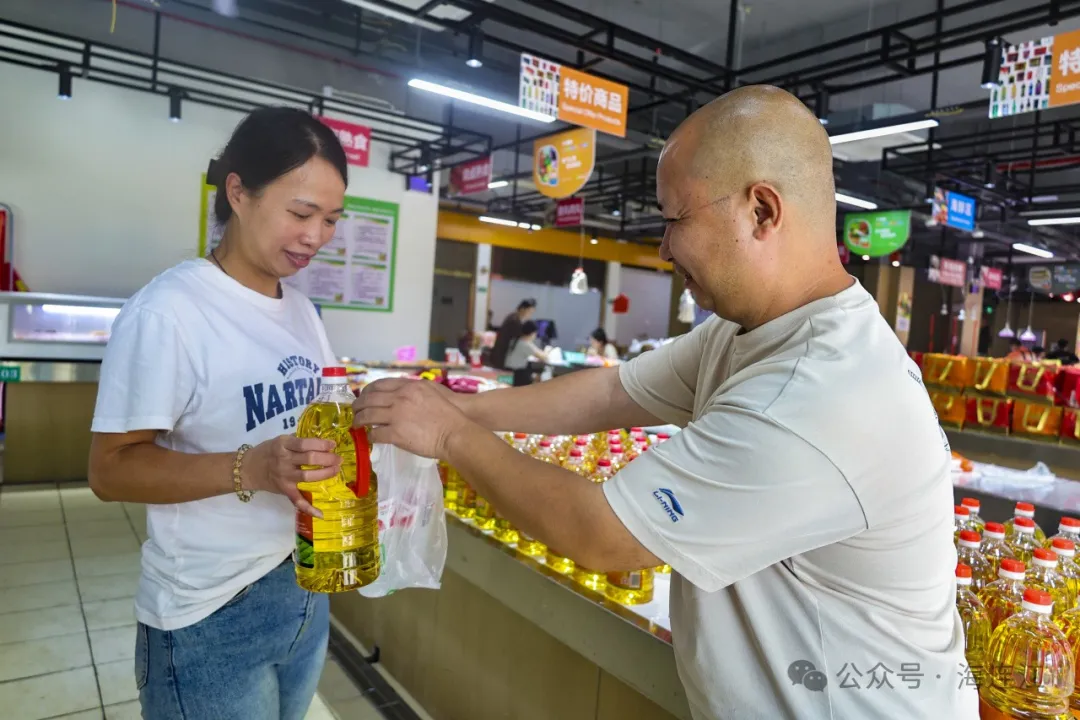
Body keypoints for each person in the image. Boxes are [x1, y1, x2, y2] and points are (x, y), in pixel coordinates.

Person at [354, 86, 976, 718]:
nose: (662, 248)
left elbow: (601, 534)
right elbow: (608, 392)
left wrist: (450, 438)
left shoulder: (818, 393)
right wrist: (452, 407)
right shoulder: (749, 332)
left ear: (762, 211)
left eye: (675, 219)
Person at [88, 108, 347, 719]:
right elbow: (111, 470)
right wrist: (251, 469)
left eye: (332, 220)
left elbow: (311, 421)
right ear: (237, 191)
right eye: (301, 213)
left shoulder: (302, 312)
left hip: (302, 585)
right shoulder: (170, 312)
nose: (316, 236)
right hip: (209, 612)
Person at [489, 298, 536, 368]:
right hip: (503, 355)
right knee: (504, 377)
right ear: (522, 309)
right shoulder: (514, 321)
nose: (529, 315)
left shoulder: (513, 317)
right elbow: (522, 339)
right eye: (529, 312)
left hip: (502, 355)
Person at [504, 320, 550, 386]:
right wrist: (547, 350)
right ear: (532, 333)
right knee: (539, 370)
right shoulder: (525, 344)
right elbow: (543, 357)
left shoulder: (516, 340)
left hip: (509, 370)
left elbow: (535, 350)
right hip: (517, 374)